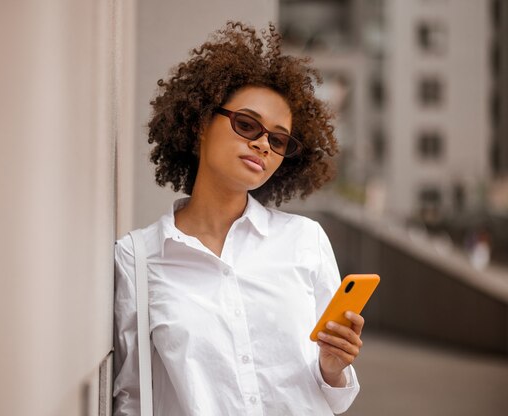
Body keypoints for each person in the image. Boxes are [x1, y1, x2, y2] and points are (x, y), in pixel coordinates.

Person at [114, 21, 365, 415]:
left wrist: (333, 368)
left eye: (278, 139)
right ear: (199, 124)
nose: (263, 143)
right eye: (246, 124)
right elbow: (131, 397)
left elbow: (336, 398)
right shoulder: (137, 259)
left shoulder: (306, 241)